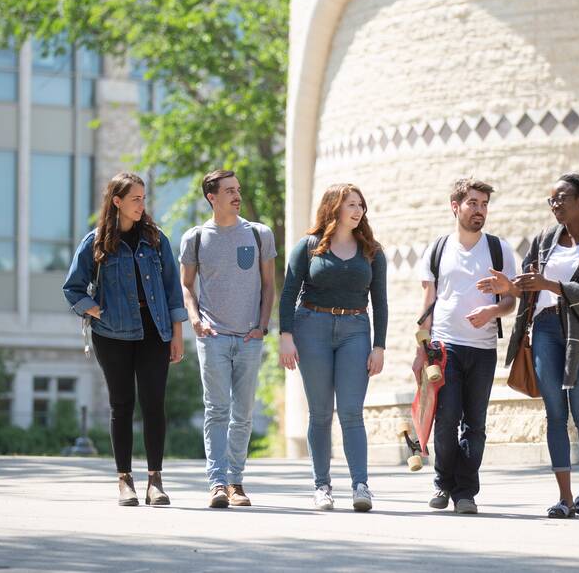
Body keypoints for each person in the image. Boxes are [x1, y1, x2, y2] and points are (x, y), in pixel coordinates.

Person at [479, 173, 579, 518]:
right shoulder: (545, 238)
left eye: (562, 198)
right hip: (546, 327)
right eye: (551, 200)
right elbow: (532, 287)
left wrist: (551, 283)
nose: (555, 205)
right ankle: (564, 497)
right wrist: (512, 286)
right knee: (555, 414)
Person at [63, 172, 187, 507]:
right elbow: (72, 288)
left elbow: (173, 291)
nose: (141, 205)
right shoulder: (96, 243)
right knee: (121, 405)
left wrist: (177, 335)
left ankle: (155, 482)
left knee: (153, 405)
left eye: (143, 198)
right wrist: (97, 312)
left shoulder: (156, 240)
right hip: (112, 335)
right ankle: (125, 481)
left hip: (154, 331)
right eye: (135, 198)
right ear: (117, 201)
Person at [278, 184, 387, 512]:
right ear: (334, 208)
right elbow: (288, 293)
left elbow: (380, 302)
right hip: (312, 327)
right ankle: (322, 486)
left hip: (355, 330)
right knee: (321, 413)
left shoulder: (372, 251)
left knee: (352, 411)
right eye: (351, 204)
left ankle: (360, 486)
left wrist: (379, 346)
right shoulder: (308, 246)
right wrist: (286, 335)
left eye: (361, 205)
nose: (358, 211)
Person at [416, 178, 517, 515]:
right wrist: (420, 350)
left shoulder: (500, 250)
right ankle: (443, 482)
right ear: (455, 206)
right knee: (446, 419)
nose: (480, 210)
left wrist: (494, 308)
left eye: (484, 204)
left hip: (484, 349)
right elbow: (428, 303)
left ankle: (465, 492)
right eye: (473, 203)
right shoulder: (438, 249)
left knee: (475, 423)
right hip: (446, 347)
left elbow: (509, 302)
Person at [179, 169, 277, 509]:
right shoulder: (195, 237)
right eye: (230, 191)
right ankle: (217, 483)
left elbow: (268, 286)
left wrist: (261, 327)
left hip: (249, 337)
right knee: (216, 410)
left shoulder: (258, 234)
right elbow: (186, 285)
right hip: (213, 337)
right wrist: (194, 320)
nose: (237, 195)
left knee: (244, 413)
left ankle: (236, 481)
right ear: (212, 197)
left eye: (238, 189)